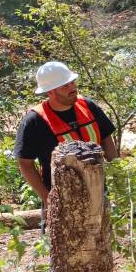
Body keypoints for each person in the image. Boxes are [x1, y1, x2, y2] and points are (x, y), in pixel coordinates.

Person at [14, 61, 118, 211]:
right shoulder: (34, 121)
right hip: (61, 200)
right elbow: (25, 164)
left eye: (72, 82)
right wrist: (48, 199)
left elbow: (106, 138)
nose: (73, 88)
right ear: (50, 91)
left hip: (99, 193)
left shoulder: (88, 106)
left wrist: (118, 175)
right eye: (65, 86)